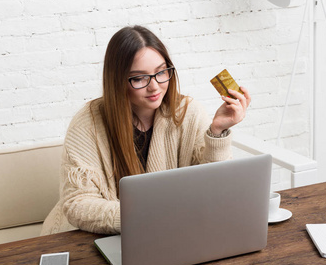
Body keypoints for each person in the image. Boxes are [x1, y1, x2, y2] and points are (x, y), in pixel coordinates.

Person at [41, 25, 251, 235]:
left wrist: (217, 131)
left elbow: (213, 189)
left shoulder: (189, 112)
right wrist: (152, 216)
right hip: (95, 238)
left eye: (161, 72)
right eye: (139, 78)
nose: (155, 87)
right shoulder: (87, 123)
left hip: (167, 234)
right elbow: (78, 204)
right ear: (117, 81)